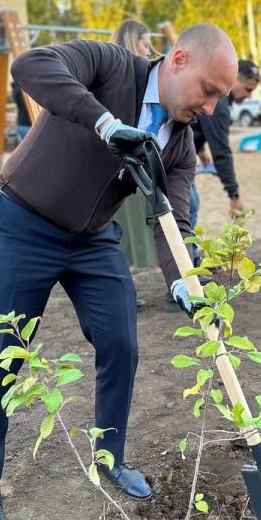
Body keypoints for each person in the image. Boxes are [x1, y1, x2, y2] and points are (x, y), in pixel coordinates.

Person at [0, 23, 238, 520]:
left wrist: (185, 285)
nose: (210, 108)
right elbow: (30, 67)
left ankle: (109, 456)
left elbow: (172, 223)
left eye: (220, 98)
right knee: (2, 352)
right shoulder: (108, 65)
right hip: (23, 223)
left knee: (121, 341)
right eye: (209, 91)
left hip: (92, 240)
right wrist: (106, 123)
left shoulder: (177, 145)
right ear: (179, 60)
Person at [111, 19, 156, 311]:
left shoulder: (135, 79)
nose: (148, 49)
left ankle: (122, 290)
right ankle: (121, 292)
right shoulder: (123, 81)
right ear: (131, 42)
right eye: (144, 43)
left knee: (122, 231)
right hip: (120, 164)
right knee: (119, 231)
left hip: (131, 161)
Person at [189, 58, 258, 229]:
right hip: (172, 158)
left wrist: (201, 149)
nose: (249, 96)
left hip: (179, 154)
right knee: (190, 207)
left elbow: (194, 124)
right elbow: (221, 152)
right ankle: (182, 254)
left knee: (191, 205)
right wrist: (234, 195)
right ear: (235, 80)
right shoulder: (219, 104)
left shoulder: (213, 94)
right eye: (248, 89)